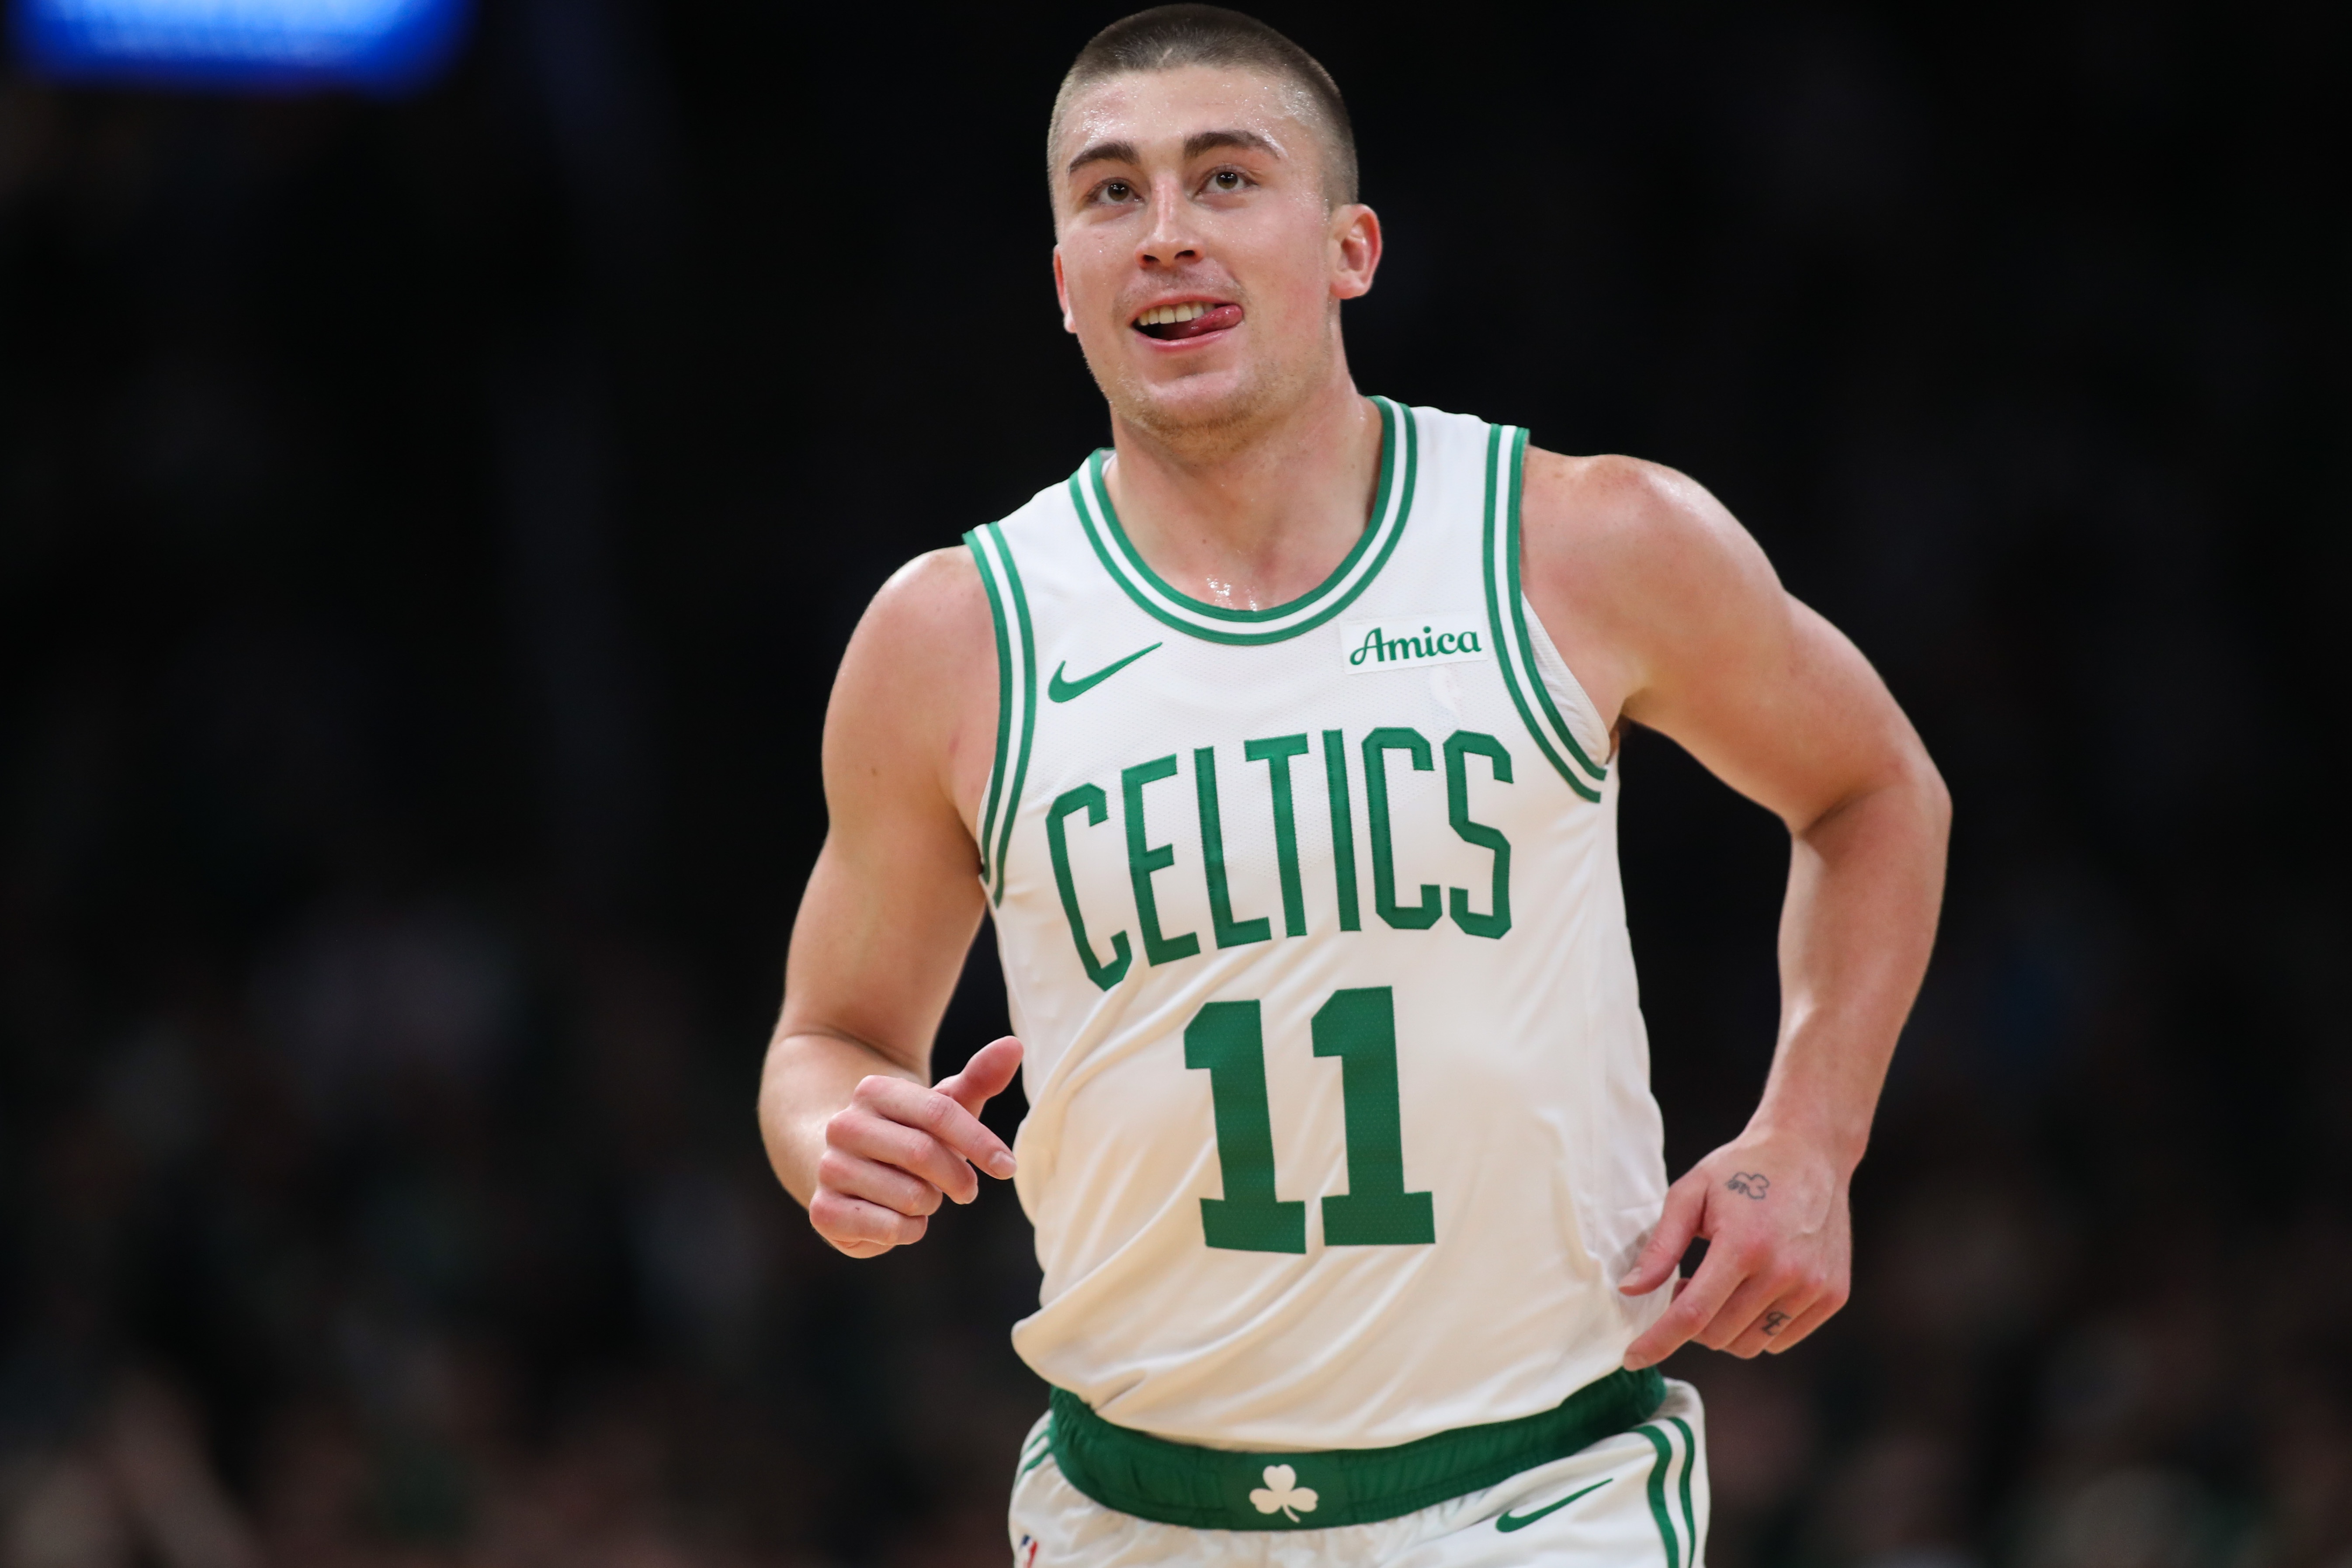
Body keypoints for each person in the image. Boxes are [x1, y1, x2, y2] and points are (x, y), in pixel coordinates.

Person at [756, 6, 1949, 1562]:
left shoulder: (1582, 542)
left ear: (1350, 250)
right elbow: (828, 1038)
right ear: (1063, 282)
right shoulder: (954, 637)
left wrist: (1814, 1133)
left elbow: (1873, 789)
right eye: (1112, 193)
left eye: (1226, 177)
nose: (1166, 232)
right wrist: (834, 1139)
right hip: (1137, 1512)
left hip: (1543, 1493)